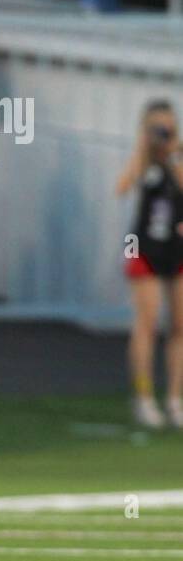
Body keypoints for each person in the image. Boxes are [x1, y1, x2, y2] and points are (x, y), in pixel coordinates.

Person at [116, 100, 183, 429]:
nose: (163, 134)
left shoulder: (178, 159)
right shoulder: (143, 160)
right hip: (142, 247)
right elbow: (122, 187)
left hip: (177, 247)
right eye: (157, 128)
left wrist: (172, 153)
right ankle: (143, 396)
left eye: (167, 128)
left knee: (180, 324)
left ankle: (175, 399)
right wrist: (143, 149)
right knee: (148, 320)